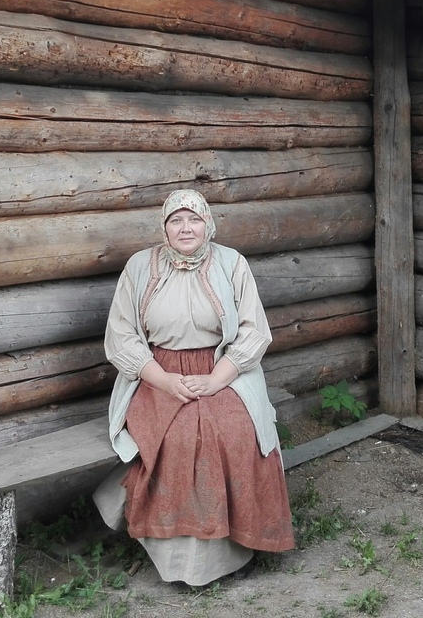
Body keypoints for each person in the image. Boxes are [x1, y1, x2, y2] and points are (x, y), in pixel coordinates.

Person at [94, 189, 294, 586]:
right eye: (176, 220)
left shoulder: (232, 263)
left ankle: (235, 548)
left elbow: (254, 331)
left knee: (236, 430)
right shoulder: (140, 267)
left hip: (223, 369)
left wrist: (216, 379)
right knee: (182, 437)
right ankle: (182, 561)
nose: (185, 228)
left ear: (208, 224)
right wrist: (164, 380)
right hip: (157, 373)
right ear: (164, 228)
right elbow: (121, 336)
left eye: (194, 219)